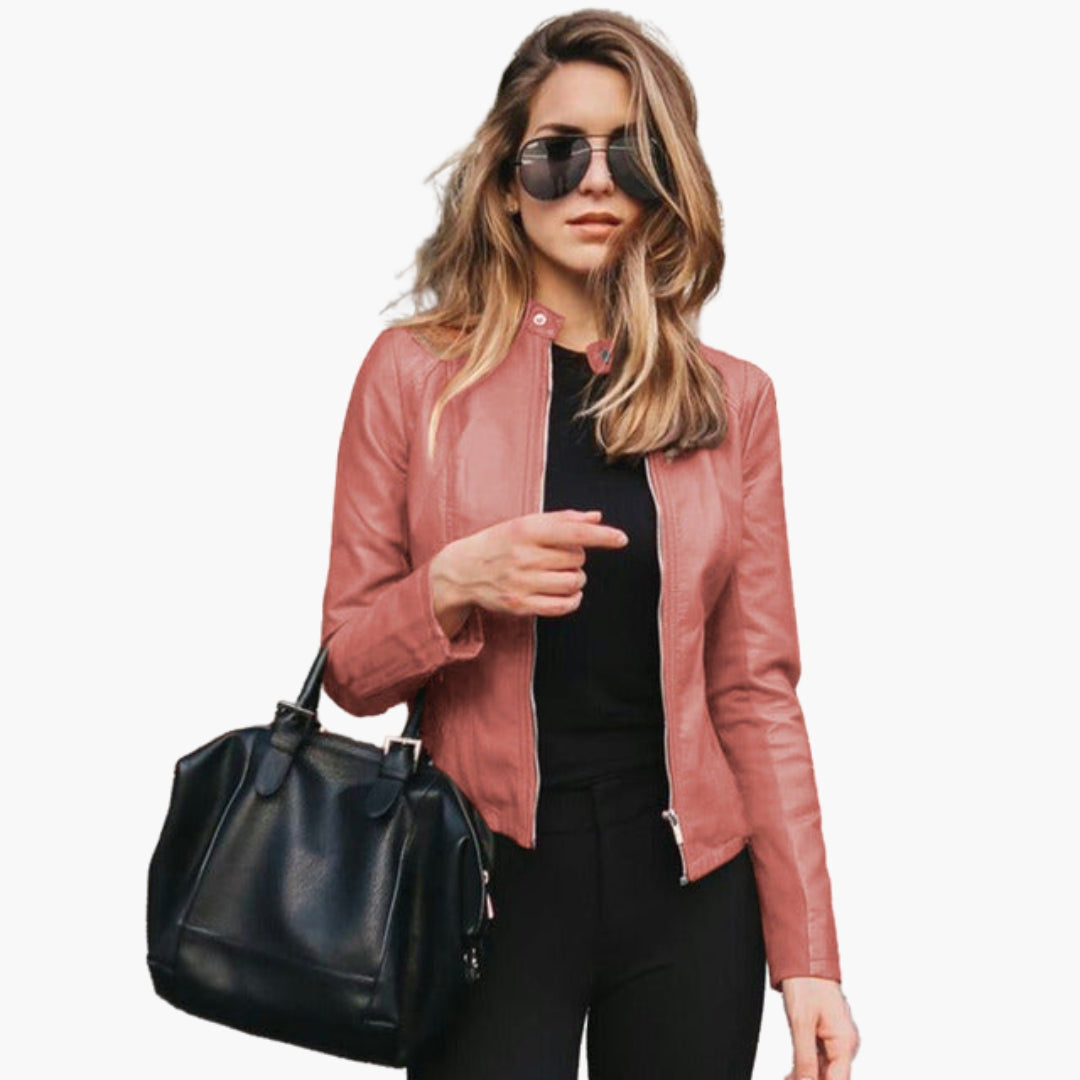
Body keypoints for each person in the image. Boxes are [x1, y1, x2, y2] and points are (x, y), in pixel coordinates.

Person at [319, 9, 859, 1079]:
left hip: (692, 900)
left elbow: (755, 691)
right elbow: (350, 669)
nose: (596, 182)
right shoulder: (413, 376)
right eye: (558, 153)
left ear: (667, 180)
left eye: (631, 153)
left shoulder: (732, 402)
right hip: (478, 883)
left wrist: (811, 958)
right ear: (505, 181)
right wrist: (450, 586)